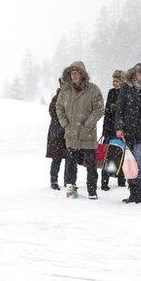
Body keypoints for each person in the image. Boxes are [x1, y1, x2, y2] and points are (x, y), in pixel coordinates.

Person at [55, 61, 104, 199]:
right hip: (71, 133)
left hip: (87, 133)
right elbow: (58, 107)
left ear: (83, 74)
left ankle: (92, 190)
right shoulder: (65, 90)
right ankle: (71, 187)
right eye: (72, 73)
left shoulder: (93, 89)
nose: (74, 75)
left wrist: (88, 124)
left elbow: (99, 109)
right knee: (70, 162)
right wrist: (65, 124)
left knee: (91, 163)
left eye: (77, 73)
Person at [116, 63, 141, 203]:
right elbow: (120, 108)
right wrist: (119, 127)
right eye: (138, 73)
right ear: (134, 73)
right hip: (127, 131)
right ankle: (133, 193)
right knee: (129, 162)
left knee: (138, 160)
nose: (140, 75)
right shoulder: (126, 87)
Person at [101, 69, 127, 191]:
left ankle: (121, 181)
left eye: (117, 80)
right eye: (114, 80)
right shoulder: (111, 93)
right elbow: (107, 113)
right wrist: (105, 130)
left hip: (123, 130)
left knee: (123, 155)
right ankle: (105, 182)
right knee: (110, 156)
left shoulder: (127, 92)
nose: (115, 83)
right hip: (111, 129)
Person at [46, 78, 66, 190]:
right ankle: (53, 180)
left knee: (69, 158)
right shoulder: (56, 98)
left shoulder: (71, 97)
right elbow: (53, 113)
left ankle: (68, 181)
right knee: (57, 158)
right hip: (57, 133)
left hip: (67, 133)